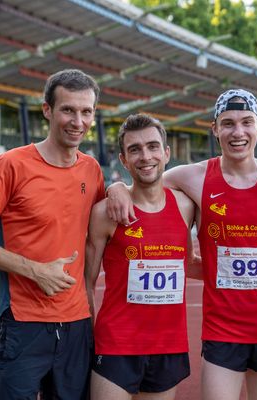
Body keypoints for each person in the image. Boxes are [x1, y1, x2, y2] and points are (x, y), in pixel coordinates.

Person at [107, 89, 257, 400]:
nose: (237, 132)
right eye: (228, 123)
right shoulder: (194, 177)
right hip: (222, 327)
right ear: (215, 129)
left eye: (246, 122)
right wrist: (116, 186)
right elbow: (146, 178)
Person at [0, 69, 105, 400]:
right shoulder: (11, 165)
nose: (78, 121)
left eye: (86, 111)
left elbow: (103, 225)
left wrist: (121, 188)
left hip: (77, 322)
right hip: (23, 322)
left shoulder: (92, 171)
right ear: (47, 110)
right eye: (68, 109)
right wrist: (35, 271)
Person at [86, 114, 201, 400]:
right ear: (124, 160)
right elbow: (85, 283)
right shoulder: (105, 213)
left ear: (166, 153)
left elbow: (188, 262)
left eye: (152, 147)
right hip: (116, 345)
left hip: (168, 346)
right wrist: (87, 340)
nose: (145, 156)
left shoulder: (186, 206)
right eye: (135, 149)